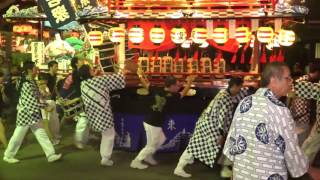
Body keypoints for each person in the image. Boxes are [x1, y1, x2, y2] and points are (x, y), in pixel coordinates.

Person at [223, 62, 308, 179]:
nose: (291, 81)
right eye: (287, 78)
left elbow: (232, 143)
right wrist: (304, 169)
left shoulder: (245, 102)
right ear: (273, 80)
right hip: (267, 174)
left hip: (241, 173)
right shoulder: (279, 110)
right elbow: (290, 150)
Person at [174, 77, 252, 178]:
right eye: (240, 87)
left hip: (207, 124)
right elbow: (222, 118)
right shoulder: (225, 98)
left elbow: (240, 95)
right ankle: (179, 168)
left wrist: (251, 90)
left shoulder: (224, 92)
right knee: (194, 147)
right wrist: (221, 134)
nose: (240, 90)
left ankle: (224, 168)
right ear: (235, 86)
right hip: (211, 127)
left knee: (195, 146)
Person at [130, 68, 196, 170]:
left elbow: (146, 84)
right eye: (177, 85)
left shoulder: (157, 89)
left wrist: (140, 76)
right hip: (152, 122)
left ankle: (148, 156)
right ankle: (136, 161)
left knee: (161, 139)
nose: (178, 87)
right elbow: (183, 93)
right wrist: (190, 82)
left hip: (154, 122)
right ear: (171, 86)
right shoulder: (172, 96)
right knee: (151, 145)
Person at [78, 61, 137, 166]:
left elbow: (102, 81)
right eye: (91, 69)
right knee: (109, 134)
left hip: (92, 113)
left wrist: (97, 75)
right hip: (102, 113)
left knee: (105, 133)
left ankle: (103, 154)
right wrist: (124, 71)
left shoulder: (83, 84)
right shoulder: (99, 80)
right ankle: (105, 158)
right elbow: (118, 79)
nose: (94, 70)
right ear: (89, 73)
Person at [3, 61, 61, 163]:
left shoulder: (29, 81)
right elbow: (31, 102)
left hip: (31, 113)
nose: (37, 70)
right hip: (26, 114)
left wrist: (44, 101)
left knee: (40, 133)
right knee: (18, 136)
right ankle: (8, 155)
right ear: (30, 70)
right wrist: (45, 106)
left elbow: (36, 97)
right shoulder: (27, 83)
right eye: (35, 68)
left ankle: (51, 154)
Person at [59, 57, 88, 149]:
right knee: (83, 119)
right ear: (76, 63)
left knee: (85, 119)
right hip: (78, 99)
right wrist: (63, 98)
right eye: (80, 60)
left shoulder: (78, 73)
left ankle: (83, 139)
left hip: (81, 98)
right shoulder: (74, 74)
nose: (83, 60)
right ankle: (79, 140)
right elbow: (65, 87)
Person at [290, 61, 320, 145]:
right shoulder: (304, 82)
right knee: (300, 143)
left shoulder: (303, 80)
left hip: (301, 116)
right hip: (300, 117)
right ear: (317, 72)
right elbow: (290, 96)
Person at [37, 73, 61, 145]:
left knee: (54, 121)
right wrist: (43, 90)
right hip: (44, 105)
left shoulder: (45, 86)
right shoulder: (38, 87)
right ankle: (51, 140)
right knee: (47, 122)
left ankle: (55, 136)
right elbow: (42, 97)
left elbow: (49, 95)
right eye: (44, 80)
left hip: (49, 104)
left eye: (46, 81)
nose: (45, 82)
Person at [0, 71, 8, 148]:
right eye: (1, 77)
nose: (2, 79)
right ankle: (7, 148)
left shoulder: (2, 87)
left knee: (3, 127)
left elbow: (5, 100)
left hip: (1, 110)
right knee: (1, 129)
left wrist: (2, 92)